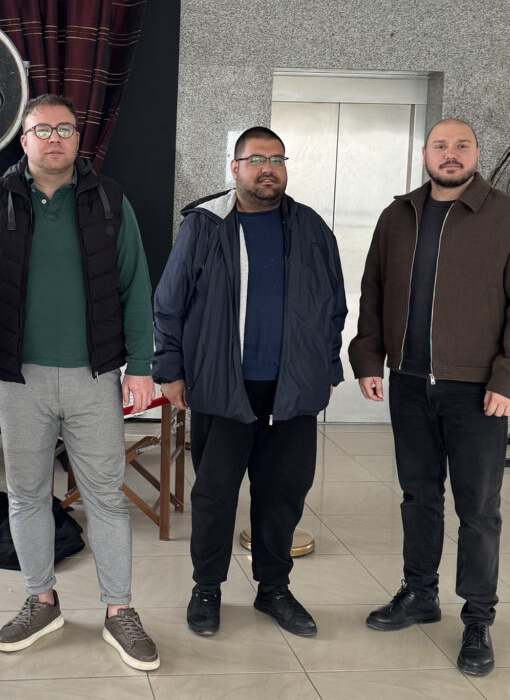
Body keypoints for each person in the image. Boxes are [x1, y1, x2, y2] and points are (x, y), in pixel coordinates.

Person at [0, 94, 159, 670]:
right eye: (41, 130)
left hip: (96, 376)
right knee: (26, 495)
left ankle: (119, 611)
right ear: (23, 141)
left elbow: (135, 286)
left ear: (77, 138)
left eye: (64, 129)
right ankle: (40, 600)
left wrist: (141, 365)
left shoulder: (110, 200)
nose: (54, 139)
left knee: (106, 499)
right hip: (18, 379)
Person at [349, 118, 510, 676]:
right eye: (441, 146)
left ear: (476, 153)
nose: (451, 154)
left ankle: (478, 618)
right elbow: (373, 291)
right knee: (418, 496)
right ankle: (420, 593)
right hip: (410, 383)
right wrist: (368, 357)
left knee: (478, 508)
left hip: (477, 390)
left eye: (462, 146)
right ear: (425, 154)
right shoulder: (398, 216)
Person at [153, 126, 347, 638]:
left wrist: (327, 367)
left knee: (283, 493)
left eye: (277, 159)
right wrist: (169, 369)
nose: (268, 168)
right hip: (223, 387)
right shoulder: (205, 225)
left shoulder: (310, 228)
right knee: (215, 495)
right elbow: (169, 304)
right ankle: (207, 589)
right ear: (235, 168)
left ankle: (274, 588)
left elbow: (334, 305)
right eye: (257, 159)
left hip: (292, 389)